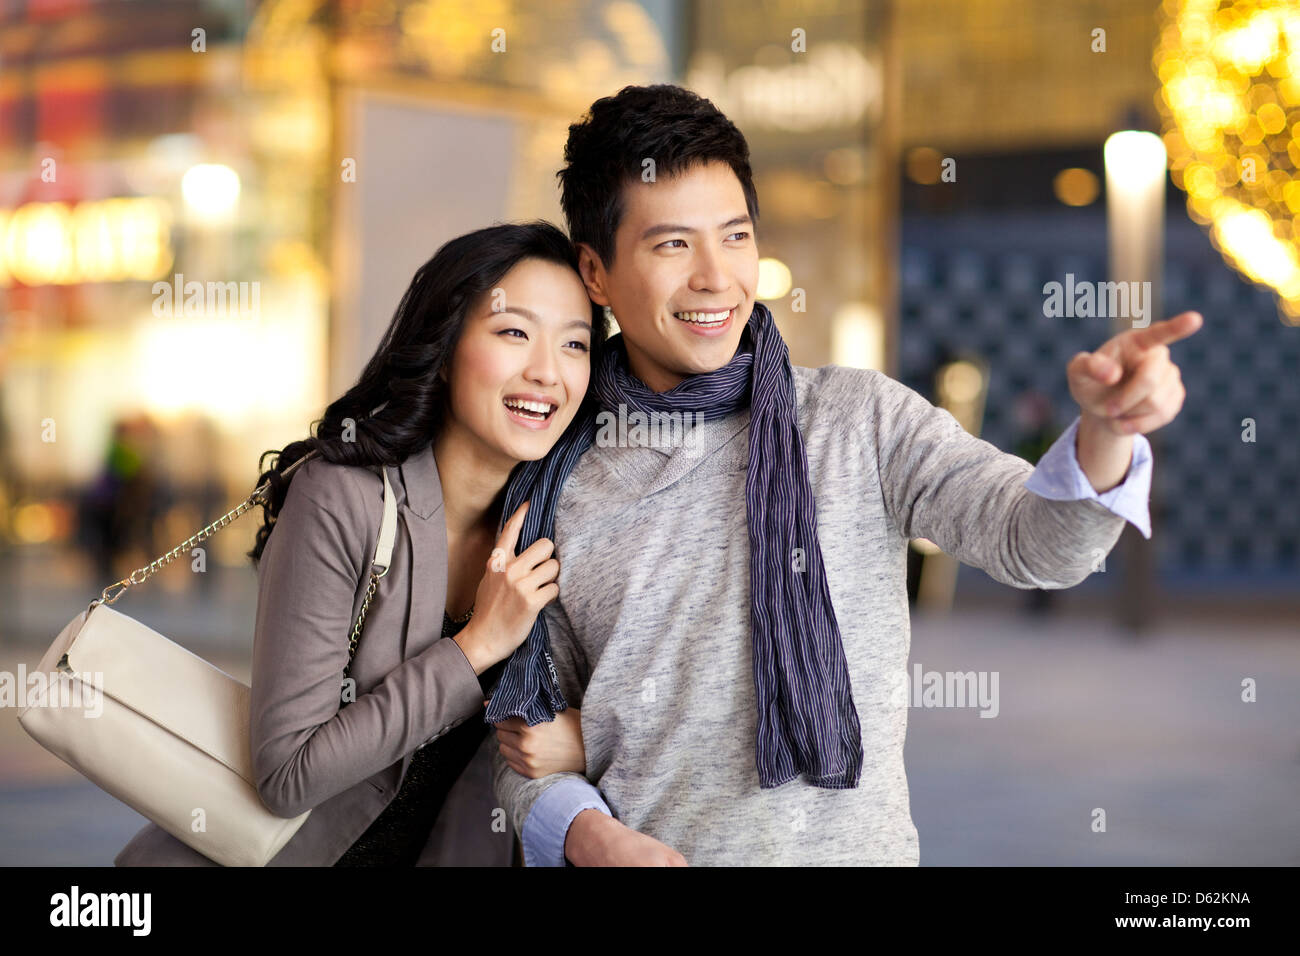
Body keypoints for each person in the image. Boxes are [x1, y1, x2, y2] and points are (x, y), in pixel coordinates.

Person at [487, 85, 1200, 866]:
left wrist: (1106, 428)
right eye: (672, 245)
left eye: (734, 237)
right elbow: (523, 745)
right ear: (596, 271)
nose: (716, 278)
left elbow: (1040, 544)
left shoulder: (857, 420)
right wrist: (592, 837)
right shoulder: (557, 482)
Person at [114, 221, 604, 866]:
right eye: (514, 332)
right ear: (447, 343)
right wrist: (477, 644)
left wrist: (584, 739)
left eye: (575, 344)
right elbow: (289, 774)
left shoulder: (559, 529)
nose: (547, 371)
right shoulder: (342, 496)